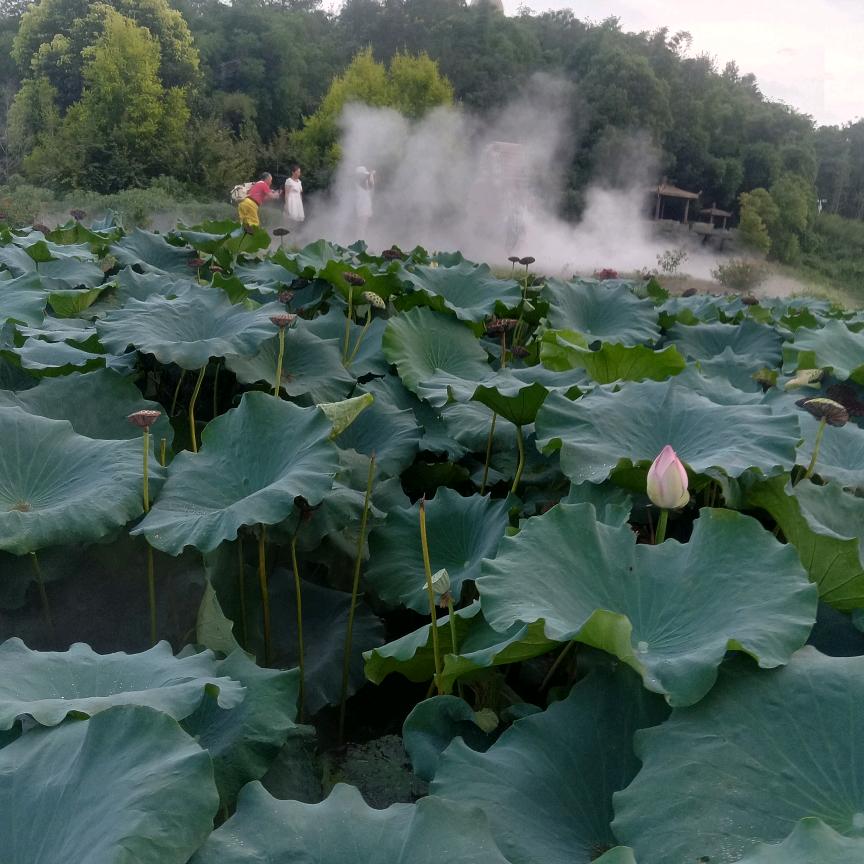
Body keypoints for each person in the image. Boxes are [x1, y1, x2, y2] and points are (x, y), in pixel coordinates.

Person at [355, 166, 375, 238]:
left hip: (364, 207)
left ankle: (361, 241)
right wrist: (371, 174)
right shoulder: (360, 182)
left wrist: (370, 175)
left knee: (363, 227)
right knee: (362, 227)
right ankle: (360, 241)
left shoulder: (363, 182)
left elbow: (371, 184)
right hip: (362, 208)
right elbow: (371, 185)